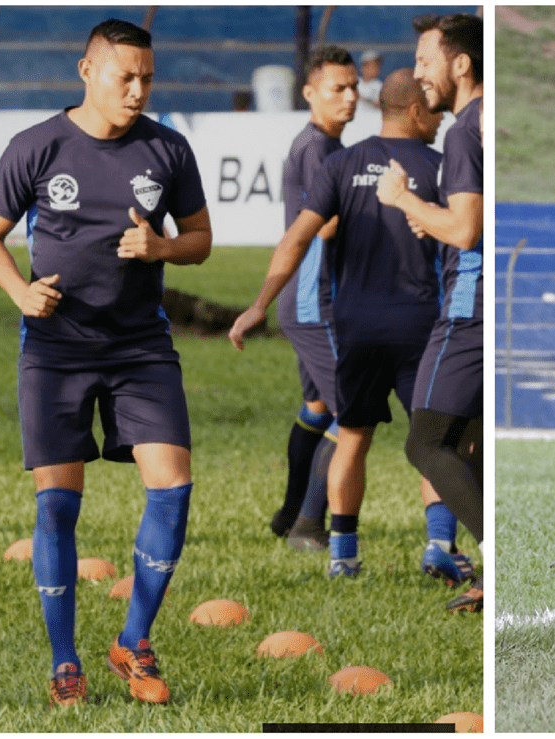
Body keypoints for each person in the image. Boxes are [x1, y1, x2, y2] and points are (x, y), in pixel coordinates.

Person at [0, 19, 212, 706]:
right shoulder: (38, 146)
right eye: (124, 77)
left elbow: (199, 239)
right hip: (55, 350)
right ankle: (64, 661)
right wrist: (21, 290)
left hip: (141, 346)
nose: (137, 91)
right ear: (87, 71)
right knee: (58, 506)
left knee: (172, 486)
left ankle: (132, 641)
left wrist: (160, 250)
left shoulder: (168, 149)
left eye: (147, 79)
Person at [229, 68, 463, 583]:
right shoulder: (444, 167)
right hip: (422, 329)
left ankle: (343, 555)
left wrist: (259, 303)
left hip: (355, 329)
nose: (442, 122)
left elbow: (296, 239)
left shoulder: (341, 164)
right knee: (435, 442)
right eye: (438, 114)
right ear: (418, 112)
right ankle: (440, 545)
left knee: (352, 436)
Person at [377, 12, 484, 612]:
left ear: (459, 63)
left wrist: (403, 200)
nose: (418, 74)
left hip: (469, 306)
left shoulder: (465, 129)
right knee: (467, 443)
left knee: (425, 443)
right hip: (485, 302)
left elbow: (465, 232)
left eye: (425, 60)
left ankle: (498, 557)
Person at [266, 45, 356, 550]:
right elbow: (324, 226)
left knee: (318, 408)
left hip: (312, 299)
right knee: (354, 413)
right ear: (309, 92)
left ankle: (288, 514)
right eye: (336, 89)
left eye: (353, 88)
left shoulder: (326, 146)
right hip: (313, 300)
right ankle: (308, 525)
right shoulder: (318, 149)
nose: (349, 98)